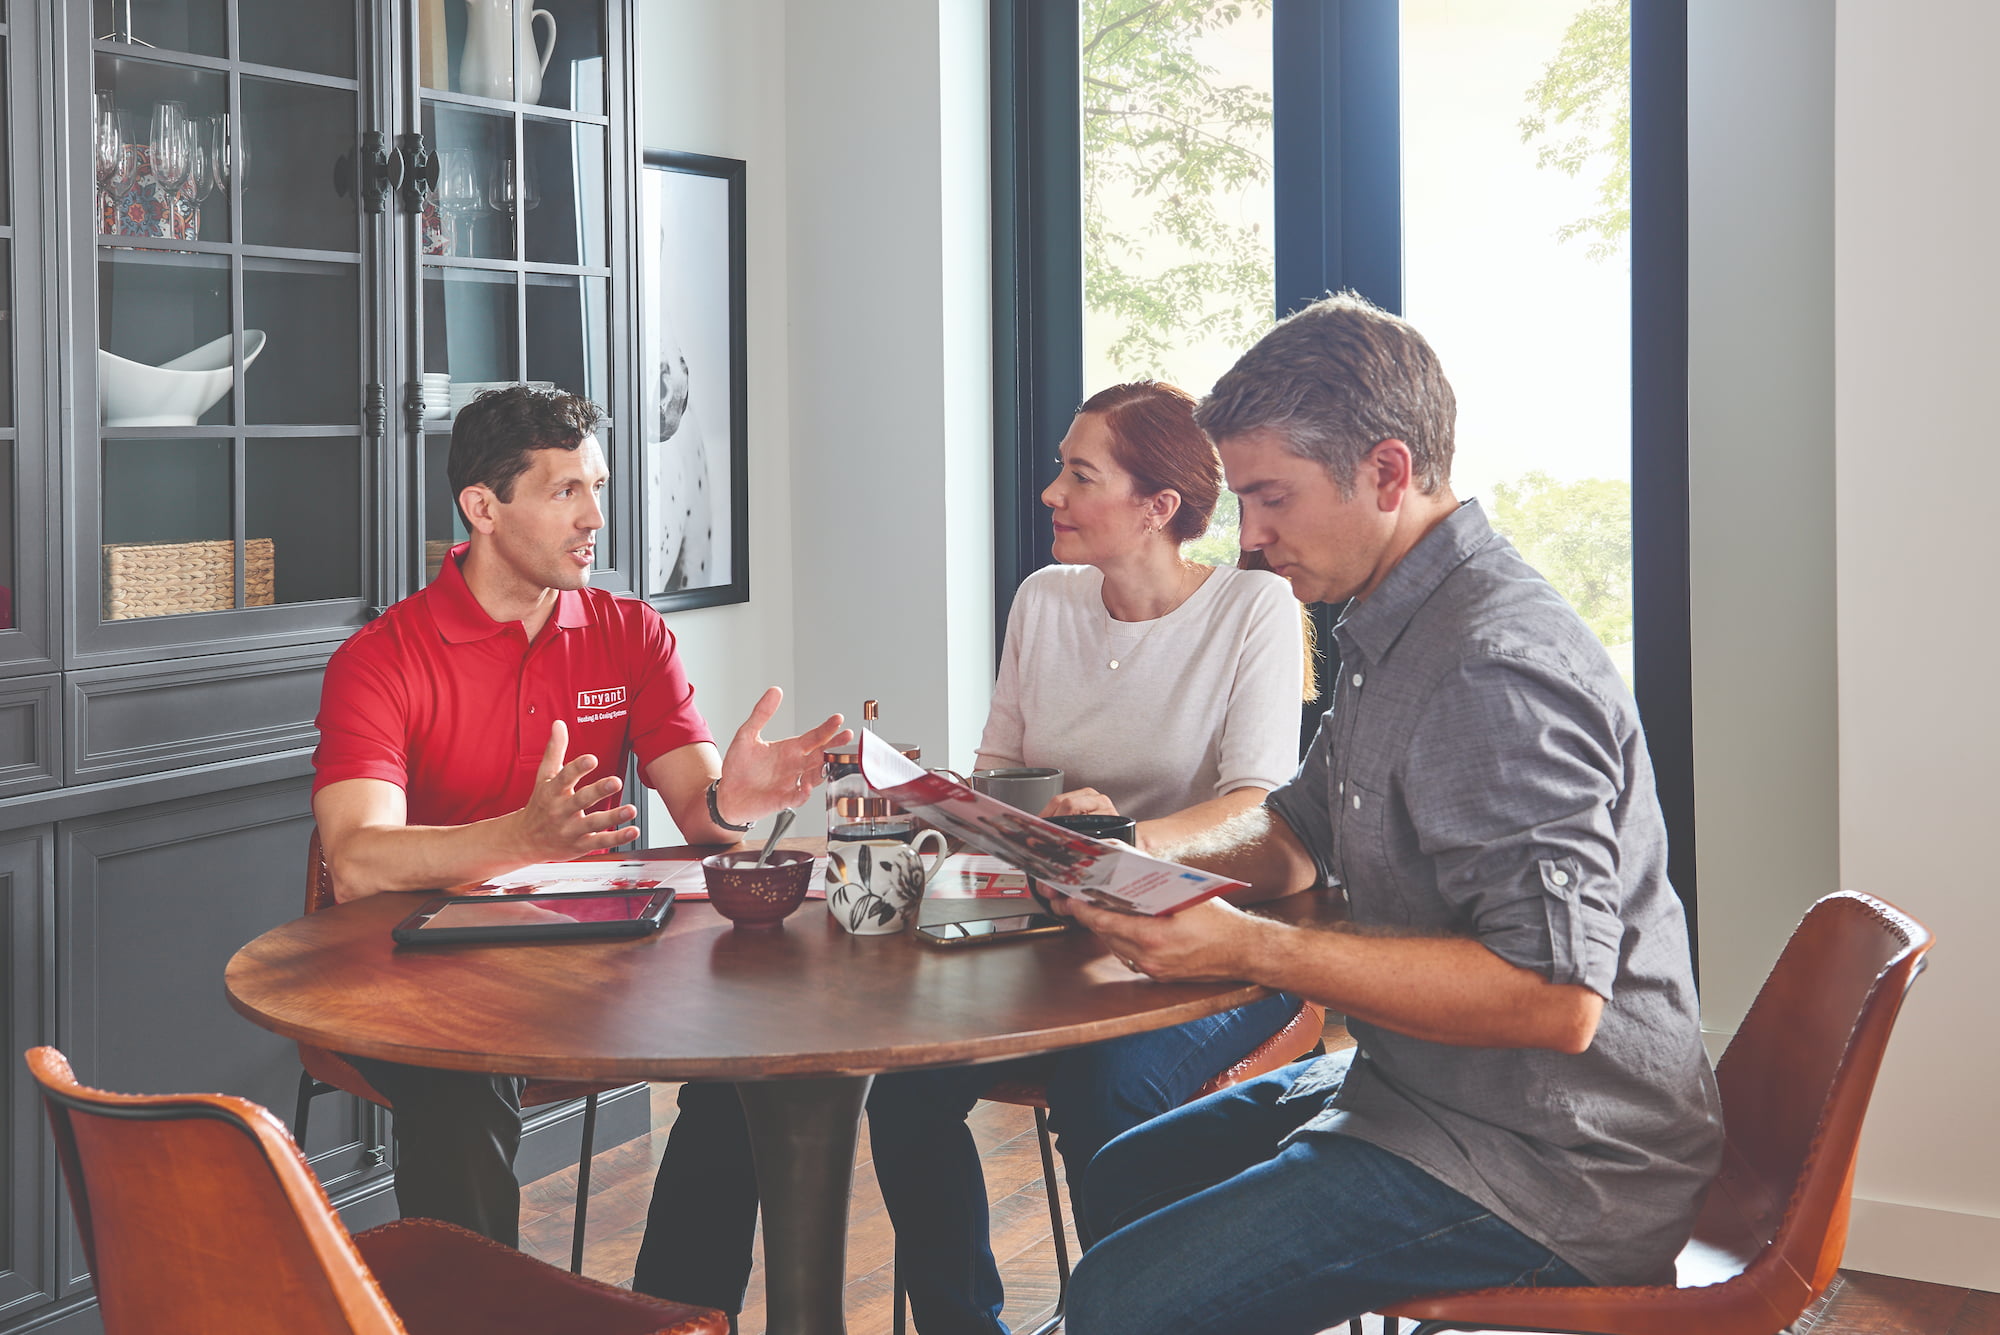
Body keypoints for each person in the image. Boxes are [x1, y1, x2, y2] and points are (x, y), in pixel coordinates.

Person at [1051, 295, 1723, 1335]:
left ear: (1386, 472)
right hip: (1424, 1091)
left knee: (1114, 1300)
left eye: (1270, 498)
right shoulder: (1390, 616)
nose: (1250, 540)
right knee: (1128, 1173)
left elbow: (1552, 999)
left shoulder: (1488, 666)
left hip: (1550, 1163)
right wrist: (1124, 856)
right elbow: (1294, 828)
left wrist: (1248, 948)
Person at [310, 385, 844, 1248]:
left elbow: (698, 807)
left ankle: (677, 1310)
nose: (596, 514)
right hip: (410, 978)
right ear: (481, 507)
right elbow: (359, 862)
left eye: (597, 486)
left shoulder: (629, 632)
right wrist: (517, 841)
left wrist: (736, 798)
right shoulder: (382, 659)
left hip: (587, 963)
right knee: (461, 1078)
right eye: (566, 491)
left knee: (760, 1051)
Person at [861, 381, 1309, 1335]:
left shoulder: (1253, 608)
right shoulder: (1045, 600)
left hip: (1221, 936)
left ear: (1158, 507)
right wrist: (924, 798)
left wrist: (1125, 839)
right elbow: (998, 781)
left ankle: (1134, 1317)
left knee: (1105, 1085)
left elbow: (1257, 805)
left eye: (1079, 473)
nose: (1050, 494)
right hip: (1062, 932)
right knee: (905, 1090)